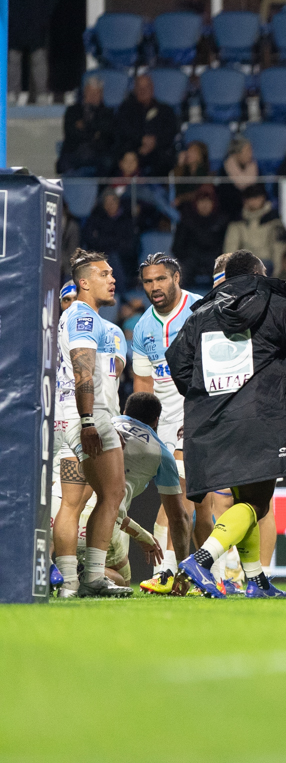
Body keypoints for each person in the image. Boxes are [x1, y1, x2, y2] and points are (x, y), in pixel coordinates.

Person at [168, 250, 286, 599]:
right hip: (261, 418)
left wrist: (209, 398)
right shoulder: (277, 304)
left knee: (245, 498)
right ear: (259, 273)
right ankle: (202, 559)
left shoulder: (200, 312)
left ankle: (256, 581)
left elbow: (178, 363)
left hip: (213, 423)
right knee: (256, 504)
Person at [57, 251, 130, 598]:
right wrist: (89, 421)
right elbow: (82, 371)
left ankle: (70, 582)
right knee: (112, 494)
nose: (112, 279)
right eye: (104, 274)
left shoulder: (80, 316)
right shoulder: (84, 318)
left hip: (67, 416)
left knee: (72, 503)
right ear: (84, 283)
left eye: (112, 273)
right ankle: (92, 578)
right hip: (89, 416)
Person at [129, 253, 202, 593]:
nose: (154, 287)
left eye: (160, 279)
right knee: (192, 503)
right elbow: (143, 385)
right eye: (147, 281)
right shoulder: (143, 327)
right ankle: (207, 569)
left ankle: (168, 572)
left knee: (181, 498)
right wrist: (145, 432)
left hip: (197, 420)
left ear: (176, 277)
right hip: (163, 427)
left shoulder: (200, 310)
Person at [69, 394, 178, 589]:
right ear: (156, 421)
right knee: (122, 580)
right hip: (105, 523)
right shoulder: (161, 453)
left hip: (68, 516)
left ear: (125, 412)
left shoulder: (100, 428)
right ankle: (79, 573)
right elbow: (178, 516)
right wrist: (143, 536)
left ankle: (65, 567)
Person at [8, 0, 58, 103]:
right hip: (14, 25)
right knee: (13, 60)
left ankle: (42, 95)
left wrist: (44, 16)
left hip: (36, 24)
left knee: (38, 59)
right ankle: (12, 94)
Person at [114, 75, 179, 175]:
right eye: (139, 87)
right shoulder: (125, 110)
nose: (143, 90)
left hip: (158, 151)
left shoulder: (165, 110)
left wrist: (154, 142)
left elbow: (170, 131)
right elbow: (123, 130)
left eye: (146, 87)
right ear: (135, 89)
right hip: (133, 150)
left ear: (152, 89)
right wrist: (141, 140)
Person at [223, 183, 286, 276]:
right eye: (250, 198)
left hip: (267, 264)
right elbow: (230, 248)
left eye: (256, 197)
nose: (253, 201)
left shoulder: (274, 221)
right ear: (245, 200)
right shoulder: (237, 222)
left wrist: (278, 275)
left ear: (263, 198)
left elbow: (278, 249)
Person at [172, 185, 227, 291]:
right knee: (180, 273)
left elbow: (225, 245)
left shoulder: (221, 221)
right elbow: (177, 247)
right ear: (196, 203)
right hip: (191, 258)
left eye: (208, 201)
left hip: (214, 259)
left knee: (223, 273)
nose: (205, 205)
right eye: (201, 201)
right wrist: (188, 256)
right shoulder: (186, 221)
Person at [58, 76, 116, 174]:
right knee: (64, 164)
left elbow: (107, 134)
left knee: (109, 162)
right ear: (85, 92)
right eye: (90, 92)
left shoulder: (108, 113)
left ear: (101, 95)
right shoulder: (72, 111)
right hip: (75, 151)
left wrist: (85, 126)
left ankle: (100, 189)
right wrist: (94, 133)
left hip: (98, 153)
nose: (93, 96)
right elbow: (70, 134)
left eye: (96, 93)